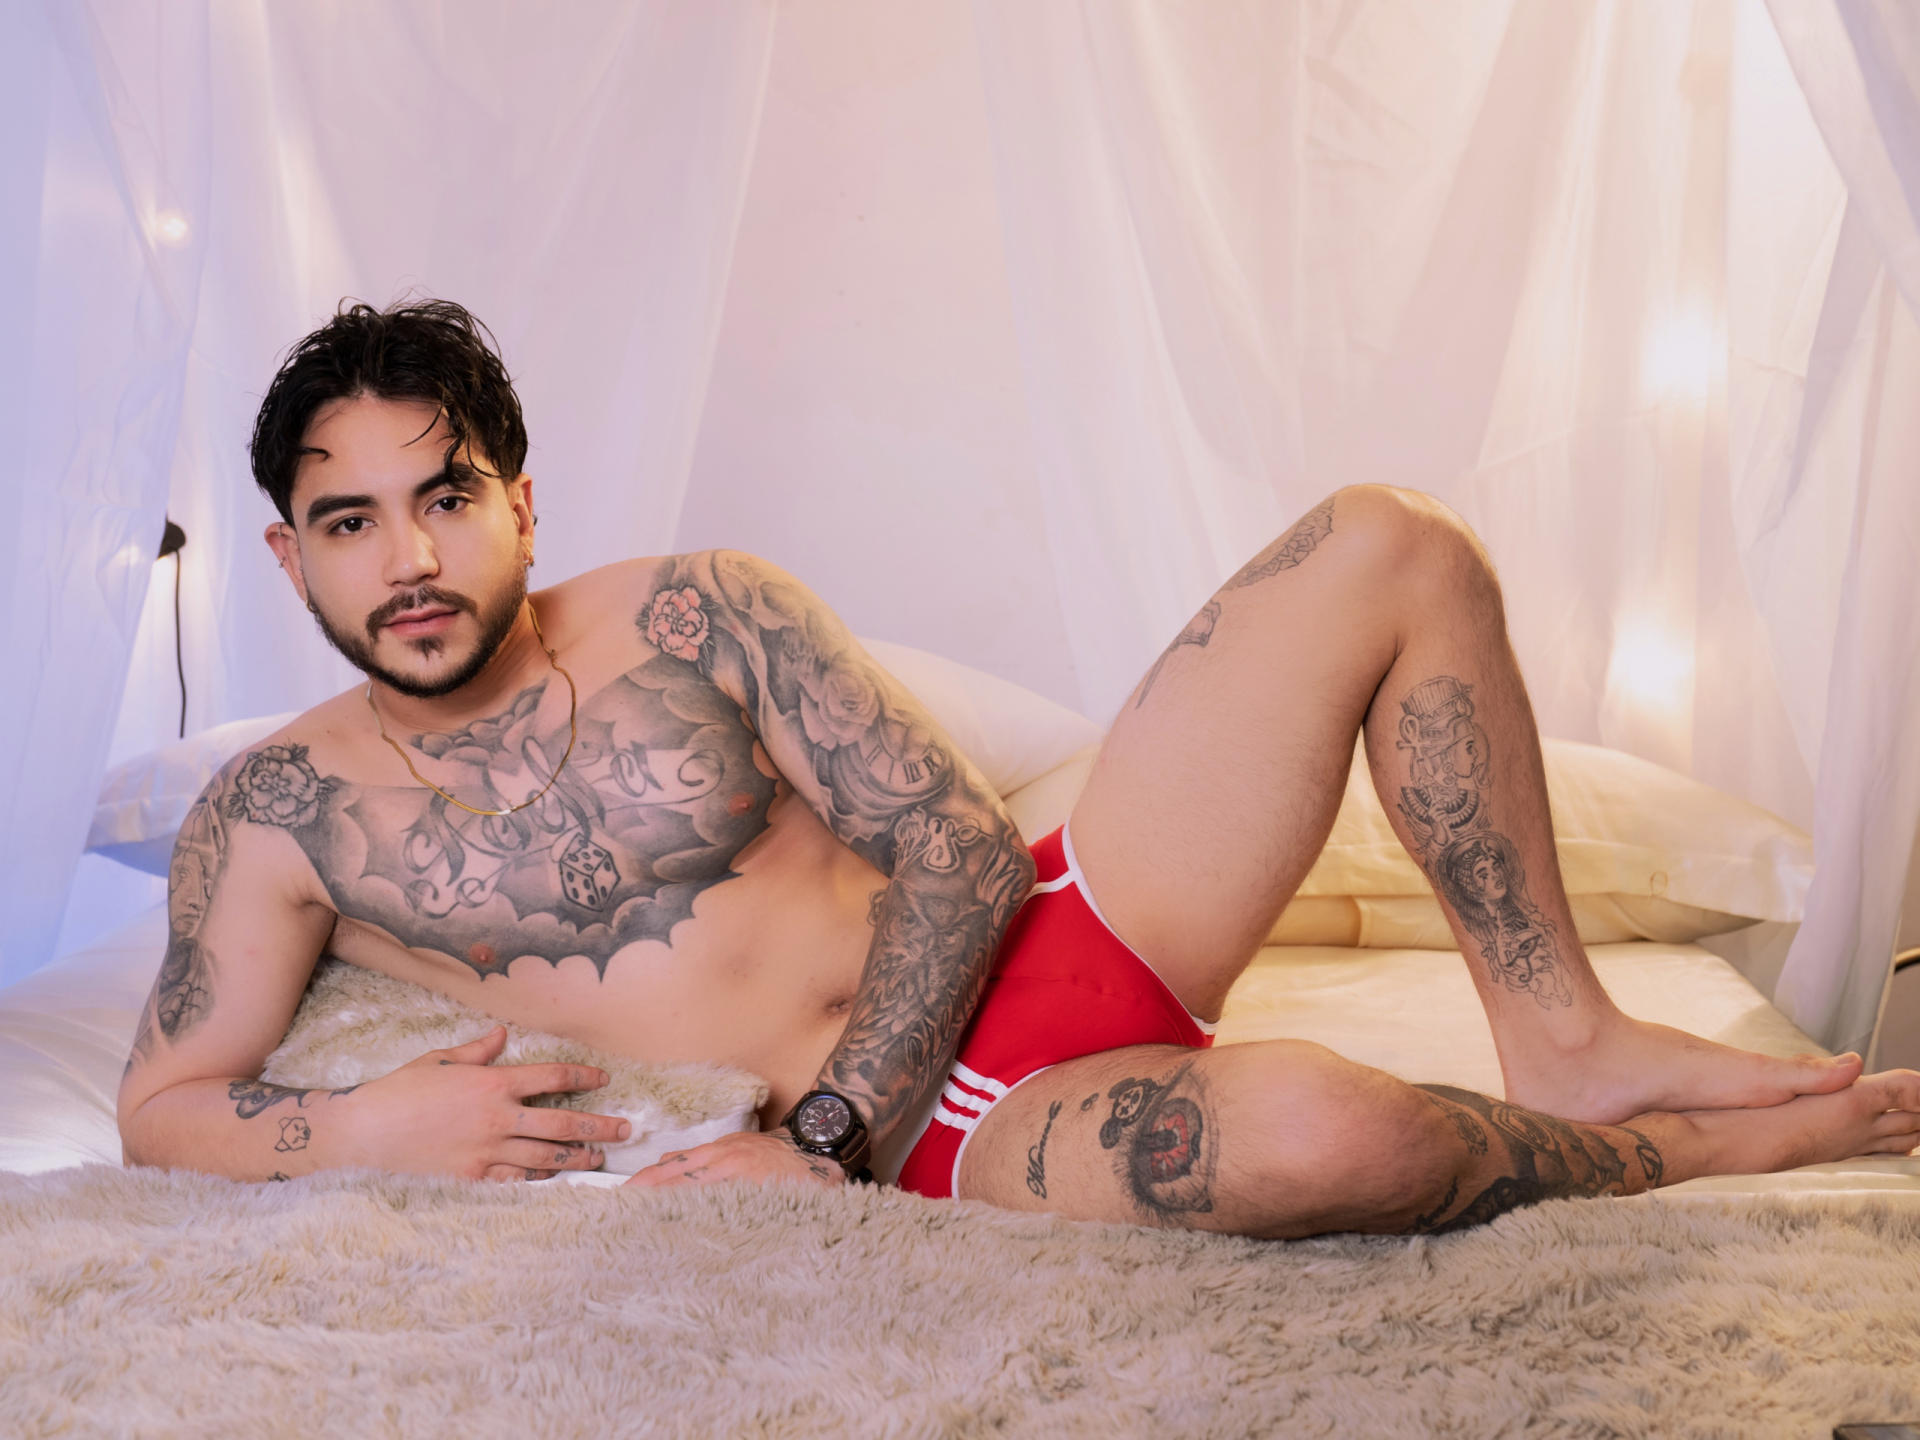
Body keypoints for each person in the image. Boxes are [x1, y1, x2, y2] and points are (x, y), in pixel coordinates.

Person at [115, 299, 1920, 1237]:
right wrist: (363, 1127)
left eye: (445, 498)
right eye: (349, 522)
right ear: (289, 556)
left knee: (1395, 541)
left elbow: (965, 852)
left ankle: (1568, 1034)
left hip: (1027, 945)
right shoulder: (273, 817)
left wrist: (825, 1146)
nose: (408, 560)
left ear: (522, 499)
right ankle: (1660, 1155)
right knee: (1332, 1135)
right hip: (969, 1131)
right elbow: (166, 1099)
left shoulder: (699, 609)